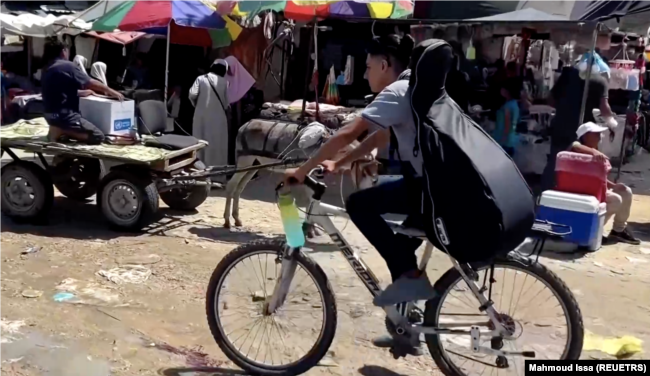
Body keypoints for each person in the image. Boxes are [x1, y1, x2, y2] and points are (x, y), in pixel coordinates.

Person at [283, 34, 431, 355]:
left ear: (384, 64)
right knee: (400, 246)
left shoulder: (397, 91)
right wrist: (338, 162)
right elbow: (378, 137)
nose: (365, 74)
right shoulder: (414, 88)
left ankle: (408, 280)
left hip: (426, 188)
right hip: (431, 186)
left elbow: (350, 132)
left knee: (358, 204)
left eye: (367, 67)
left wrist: (302, 169)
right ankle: (406, 323)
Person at [542, 61, 614, 190]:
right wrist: (612, 123)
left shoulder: (567, 75)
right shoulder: (600, 81)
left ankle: (546, 192)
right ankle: (573, 188)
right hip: (583, 130)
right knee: (580, 162)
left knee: (556, 160)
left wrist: (564, 107)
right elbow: (604, 108)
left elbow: (551, 100)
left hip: (561, 125)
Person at [41, 39, 123, 145]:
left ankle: (61, 131)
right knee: (98, 136)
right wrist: (110, 90)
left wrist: (79, 93)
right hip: (65, 117)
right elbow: (90, 82)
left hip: (50, 117)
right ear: (63, 51)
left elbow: (55, 92)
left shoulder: (47, 68)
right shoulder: (67, 66)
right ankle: (62, 130)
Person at [570, 122, 640, 245]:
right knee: (615, 199)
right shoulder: (577, 150)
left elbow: (599, 177)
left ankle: (618, 230)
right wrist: (592, 151)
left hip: (598, 189)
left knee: (625, 191)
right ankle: (595, 231)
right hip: (584, 192)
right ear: (585, 136)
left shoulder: (596, 152)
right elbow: (575, 144)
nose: (600, 136)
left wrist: (612, 185)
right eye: (596, 134)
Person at [189, 59, 230, 173]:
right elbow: (226, 104)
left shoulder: (201, 79)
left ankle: (200, 172)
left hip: (201, 116)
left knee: (200, 142)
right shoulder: (225, 82)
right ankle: (217, 175)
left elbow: (192, 94)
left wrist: (197, 105)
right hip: (219, 119)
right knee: (217, 145)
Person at [493, 80, 520, 156]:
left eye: (503, 88)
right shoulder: (514, 104)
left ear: (508, 91)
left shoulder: (507, 107)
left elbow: (507, 124)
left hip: (504, 141)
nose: (501, 90)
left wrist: (503, 139)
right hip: (511, 140)